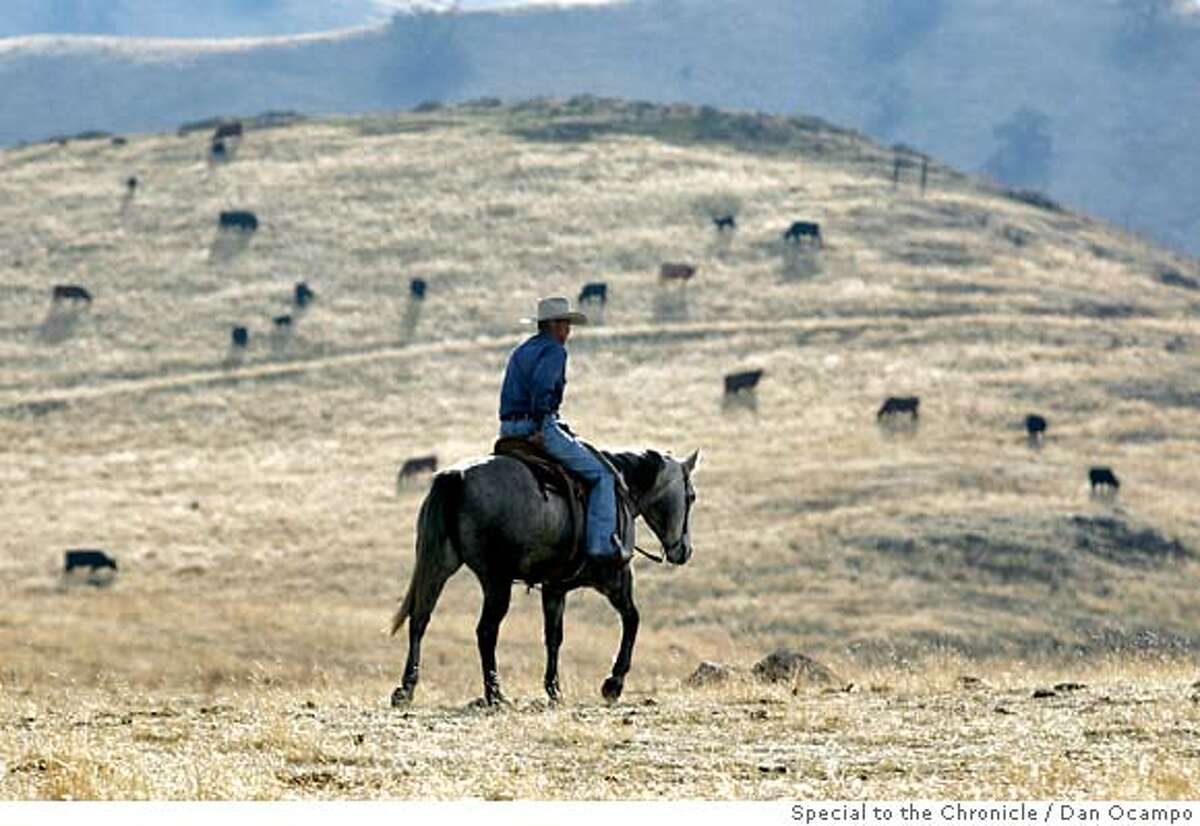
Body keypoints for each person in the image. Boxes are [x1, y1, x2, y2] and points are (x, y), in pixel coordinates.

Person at [498, 296, 626, 568]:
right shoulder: (555, 351)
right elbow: (542, 387)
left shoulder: (521, 350)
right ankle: (600, 546)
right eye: (565, 324)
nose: (568, 331)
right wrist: (541, 424)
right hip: (538, 426)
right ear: (554, 326)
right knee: (603, 475)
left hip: (508, 429)